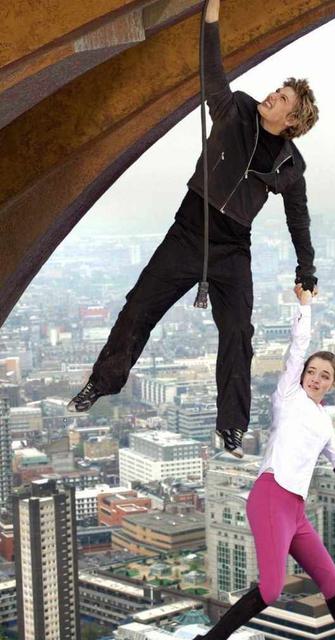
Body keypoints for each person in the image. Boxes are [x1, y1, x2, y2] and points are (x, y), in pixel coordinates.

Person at [68, 0, 320, 458]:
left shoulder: (291, 163)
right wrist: (211, 17)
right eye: (277, 90)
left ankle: (232, 426)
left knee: (239, 333)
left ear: (293, 122)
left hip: (232, 249)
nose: (272, 96)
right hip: (189, 230)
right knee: (138, 307)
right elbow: (212, 70)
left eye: (283, 99)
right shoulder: (235, 108)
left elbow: (296, 217)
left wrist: (307, 268)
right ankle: (100, 385)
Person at [195, 285, 335, 640]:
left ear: (332, 385)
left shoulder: (324, 419)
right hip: (272, 495)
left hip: (295, 510)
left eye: (325, 376)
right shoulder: (288, 395)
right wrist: (305, 304)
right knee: (271, 590)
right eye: (313, 371)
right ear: (303, 373)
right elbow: (297, 346)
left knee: (333, 582)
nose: (316, 378)